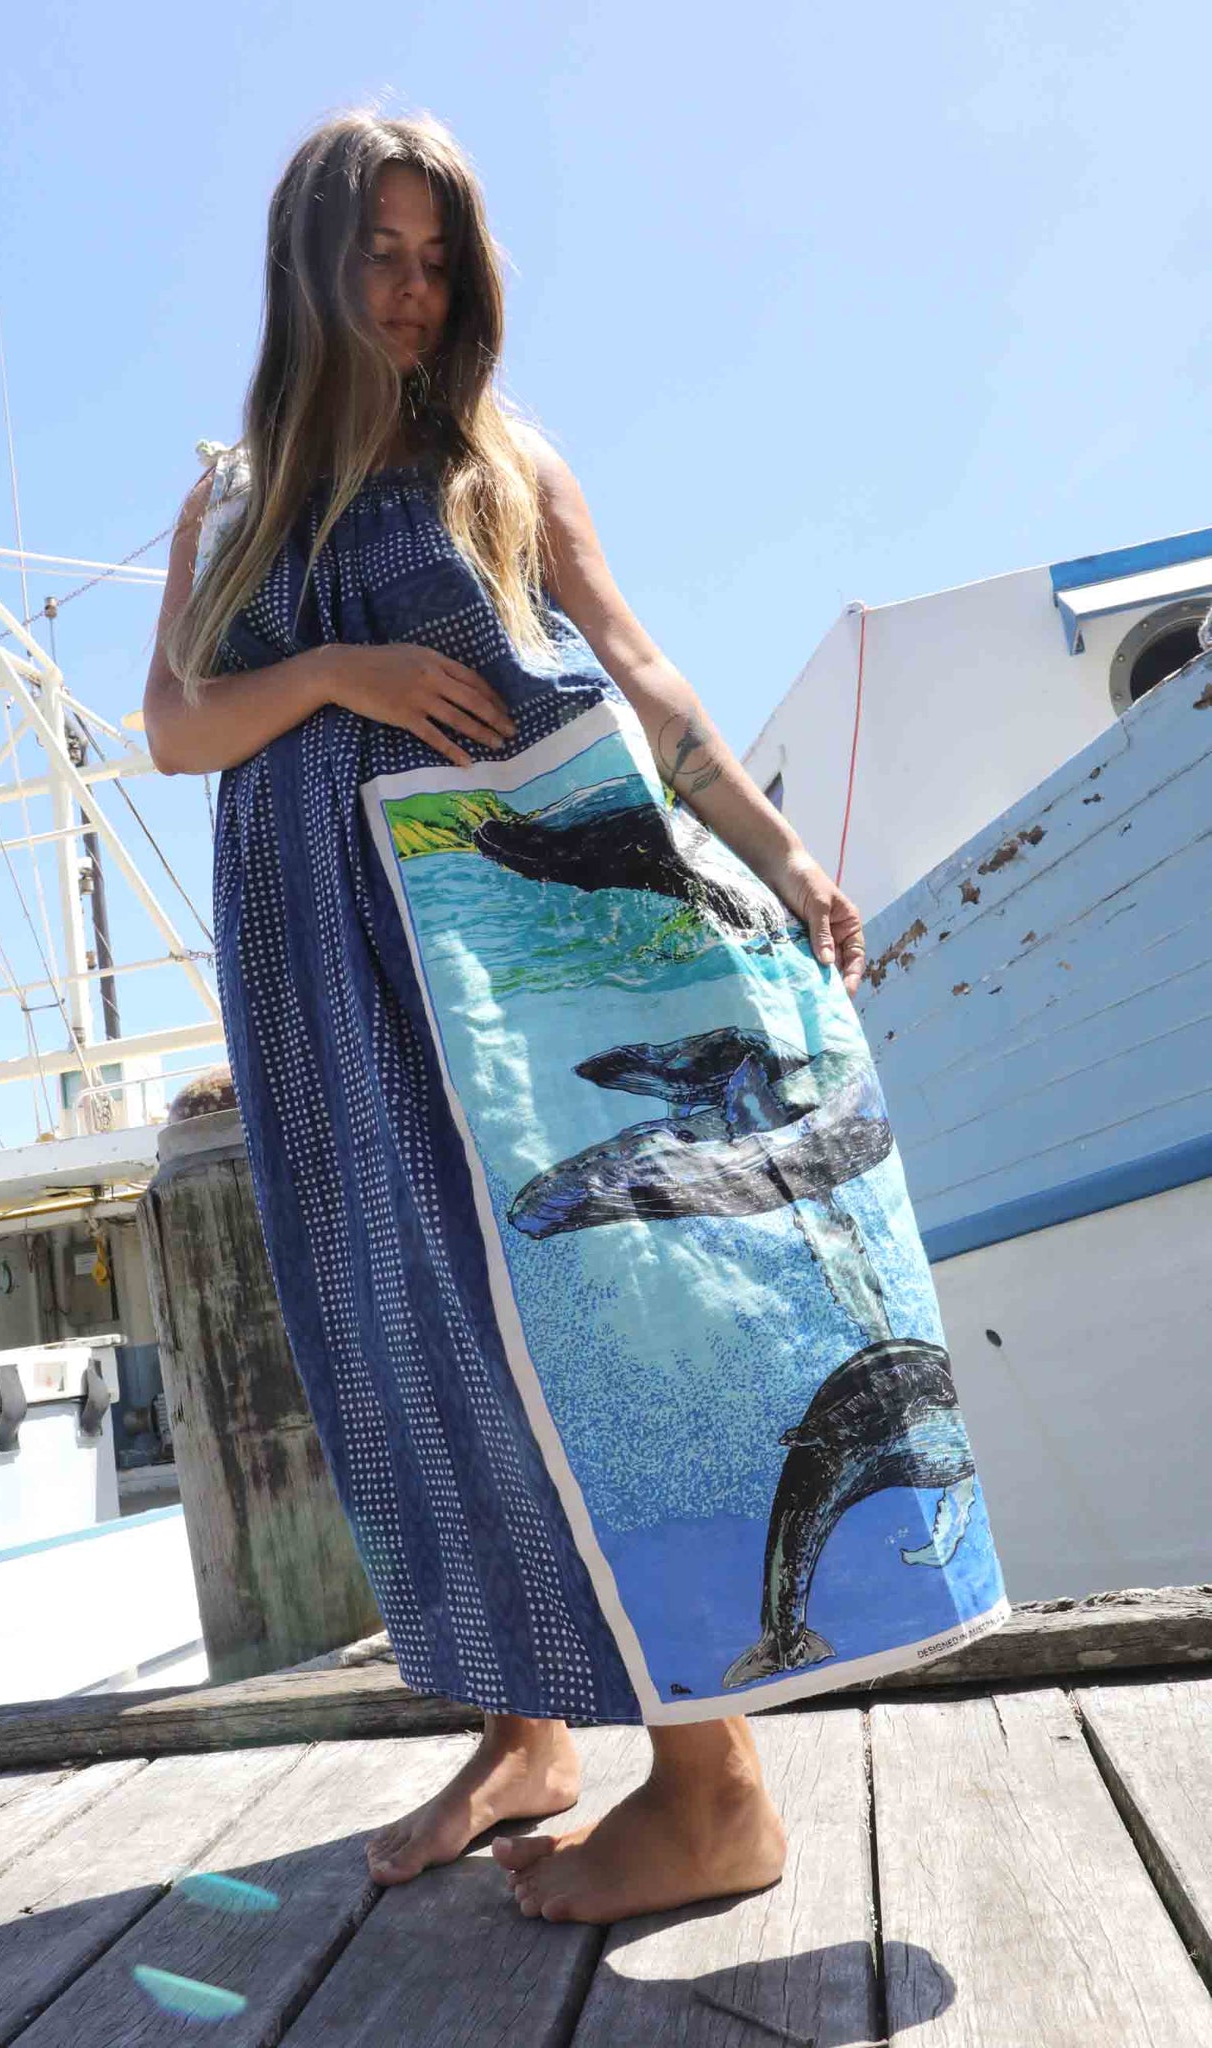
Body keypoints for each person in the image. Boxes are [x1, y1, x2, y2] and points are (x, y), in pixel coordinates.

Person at [143, 106, 1008, 1927]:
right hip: (325, 980)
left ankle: (713, 1791)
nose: (410, 290)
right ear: (307, 268)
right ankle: (526, 1731)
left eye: (435, 258)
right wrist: (340, 670)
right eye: (378, 254)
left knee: (596, 1311)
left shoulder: (499, 460)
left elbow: (637, 671)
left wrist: (778, 852)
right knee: (408, 1334)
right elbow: (175, 726)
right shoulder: (227, 498)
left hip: (513, 962)